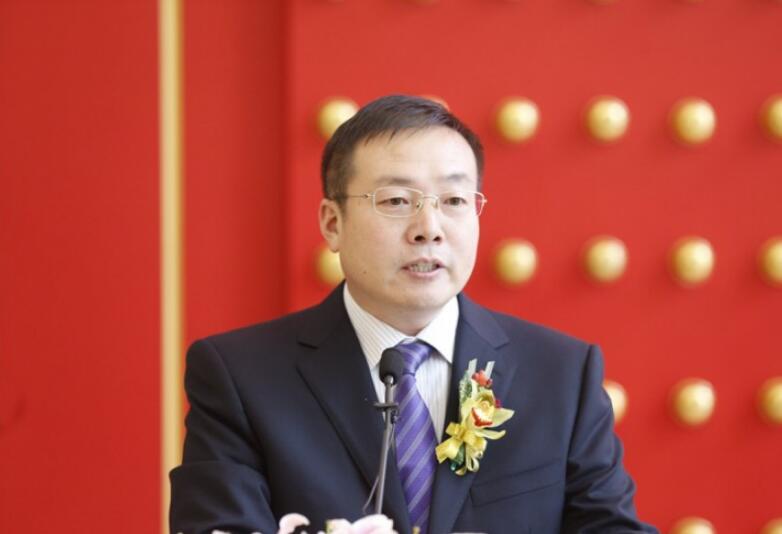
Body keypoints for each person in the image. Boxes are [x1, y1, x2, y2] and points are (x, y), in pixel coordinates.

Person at [169, 95, 658, 534]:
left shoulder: (561, 373)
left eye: (453, 201)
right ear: (333, 223)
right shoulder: (241, 376)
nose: (429, 228)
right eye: (397, 201)